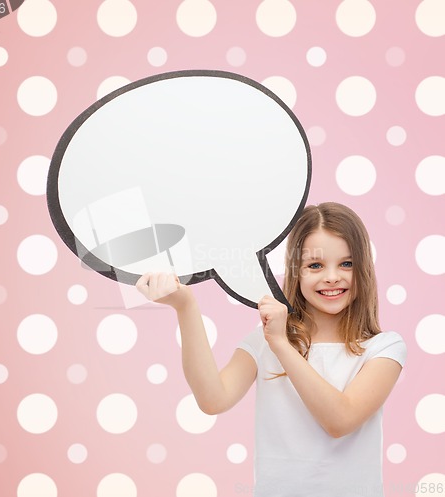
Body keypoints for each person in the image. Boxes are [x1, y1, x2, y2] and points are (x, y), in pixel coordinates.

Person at [136, 202, 407, 497]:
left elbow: (340, 421)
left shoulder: (384, 348)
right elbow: (213, 400)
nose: (331, 276)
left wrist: (281, 343)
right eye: (315, 265)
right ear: (296, 271)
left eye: (346, 263)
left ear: (364, 269)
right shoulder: (263, 339)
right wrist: (185, 306)